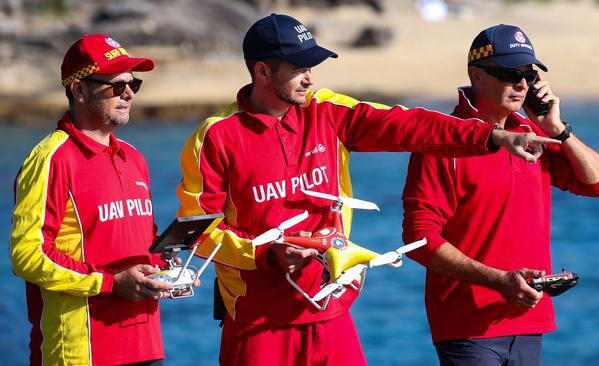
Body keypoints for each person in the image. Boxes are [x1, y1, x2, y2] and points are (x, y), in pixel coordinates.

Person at [176, 14, 558, 366]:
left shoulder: (326, 111)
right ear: (262, 70)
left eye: (311, 68)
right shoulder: (215, 137)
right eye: (298, 69)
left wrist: (490, 136)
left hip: (332, 311)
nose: (310, 79)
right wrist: (267, 255)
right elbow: (198, 233)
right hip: (257, 320)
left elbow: (408, 126)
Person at [402, 24, 599, 365]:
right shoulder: (443, 142)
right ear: (477, 75)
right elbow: (419, 239)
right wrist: (498, 281)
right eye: (509, 74)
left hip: (528, 320)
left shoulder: (533, 135)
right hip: (469, 325)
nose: (521, 85)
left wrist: (557, 129)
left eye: (529, 75)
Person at [10, 34, 174, 365]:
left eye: (133, 84)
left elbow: (140, 246)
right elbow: (27, 255)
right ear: (79, 90)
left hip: (145, 344)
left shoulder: (134, 158)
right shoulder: (50, 159)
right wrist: (110, 283)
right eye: (116, 85)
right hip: (81, 351)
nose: (129, 93)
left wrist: (168, 269)